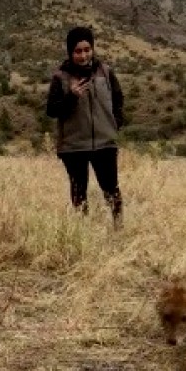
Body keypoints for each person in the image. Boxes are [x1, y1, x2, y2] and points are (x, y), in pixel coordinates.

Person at [45, 26, 126, 228]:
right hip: (73, 146)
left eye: (87, 49)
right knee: (79, 193)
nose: (83, 55)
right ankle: (83, 233)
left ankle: (119, 229)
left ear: (92, 48)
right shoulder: (61, 77)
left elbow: (118, 100)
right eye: (78, 51)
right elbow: (52, 110)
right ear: (70, 52)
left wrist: (115, 124)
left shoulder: (105, 72)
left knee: (111, 190)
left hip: (105, 143)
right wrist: (71, 97)